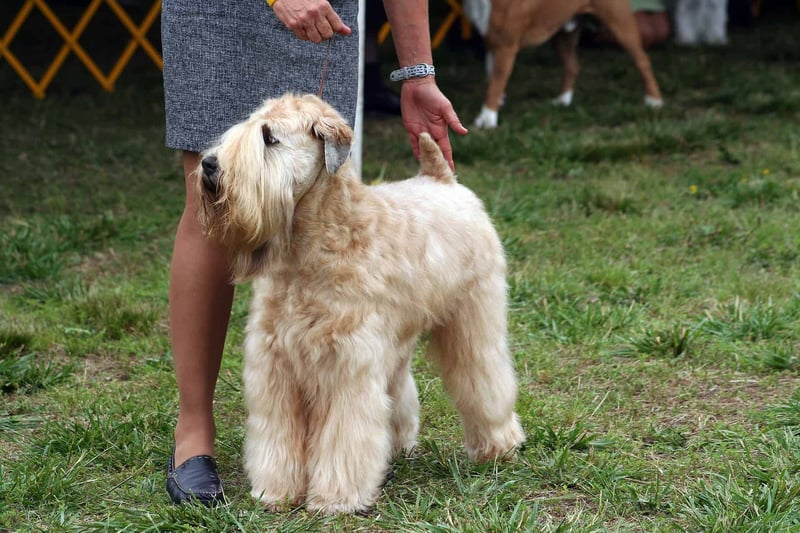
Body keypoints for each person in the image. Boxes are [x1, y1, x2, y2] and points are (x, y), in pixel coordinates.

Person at [161, 0, 468, 506]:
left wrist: (417, 72)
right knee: (209, 201)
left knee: (322, 203)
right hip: (219, 14)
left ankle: (358, 427)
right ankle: (193, 432)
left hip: (325, 20)